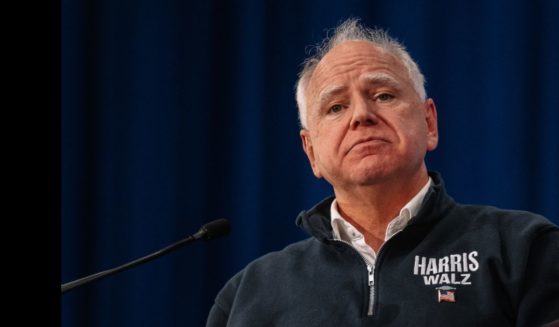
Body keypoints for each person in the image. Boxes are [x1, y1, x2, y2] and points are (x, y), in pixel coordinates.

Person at [206, 18, 559, 326]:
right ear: (311, 151)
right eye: (335, 107)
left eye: (384, 95)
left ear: (429, 122)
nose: (361, 115)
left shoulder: (525, 249)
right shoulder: (248, 294)